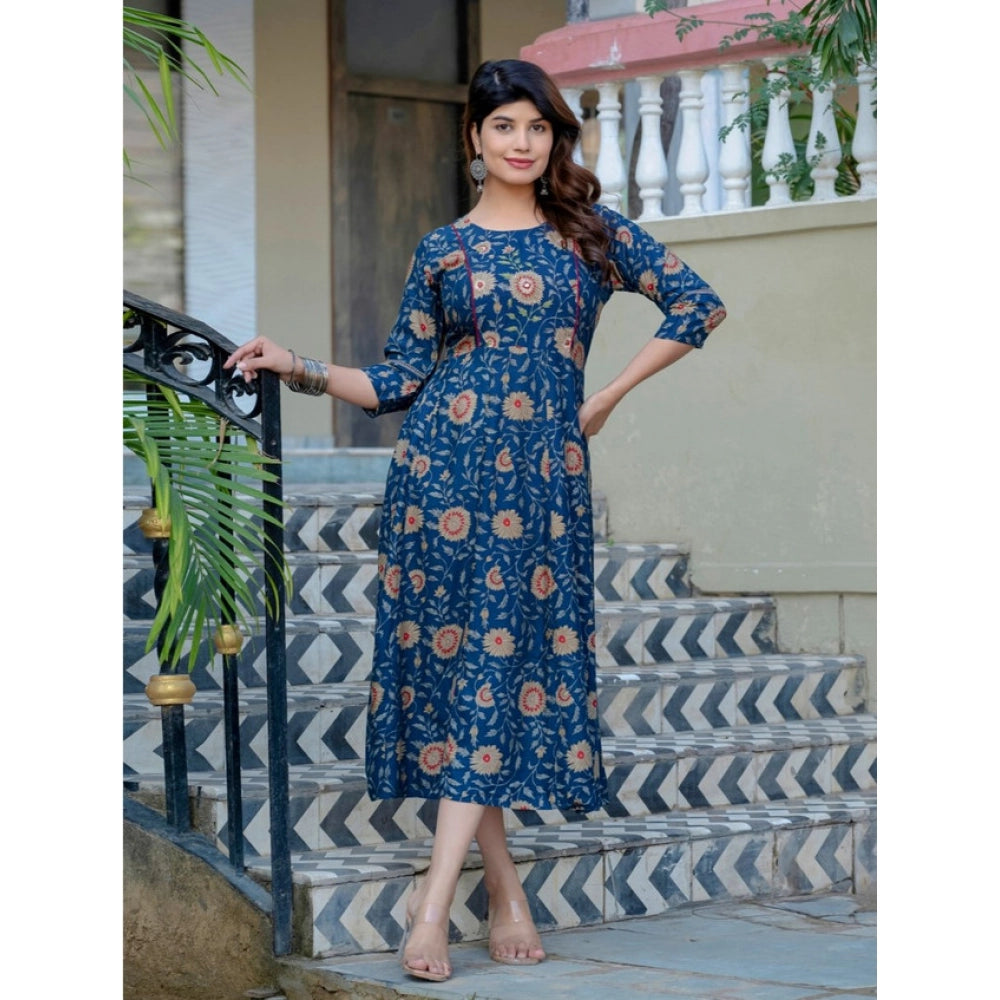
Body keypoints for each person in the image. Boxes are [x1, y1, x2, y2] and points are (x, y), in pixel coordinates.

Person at [226, 58, 726, 983]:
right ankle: (490, 897)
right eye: (504, 126)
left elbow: (699, 305)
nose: (521, 143)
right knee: (470, 683)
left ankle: (445, 902)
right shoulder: (442, 251)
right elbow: (397, 380)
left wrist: (607, 394)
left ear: (554, 137)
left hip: (541, 489)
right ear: (474, 138)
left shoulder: (590, 236)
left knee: (493, 674)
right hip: (439, 483)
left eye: (537, 127)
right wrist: (295, 363)